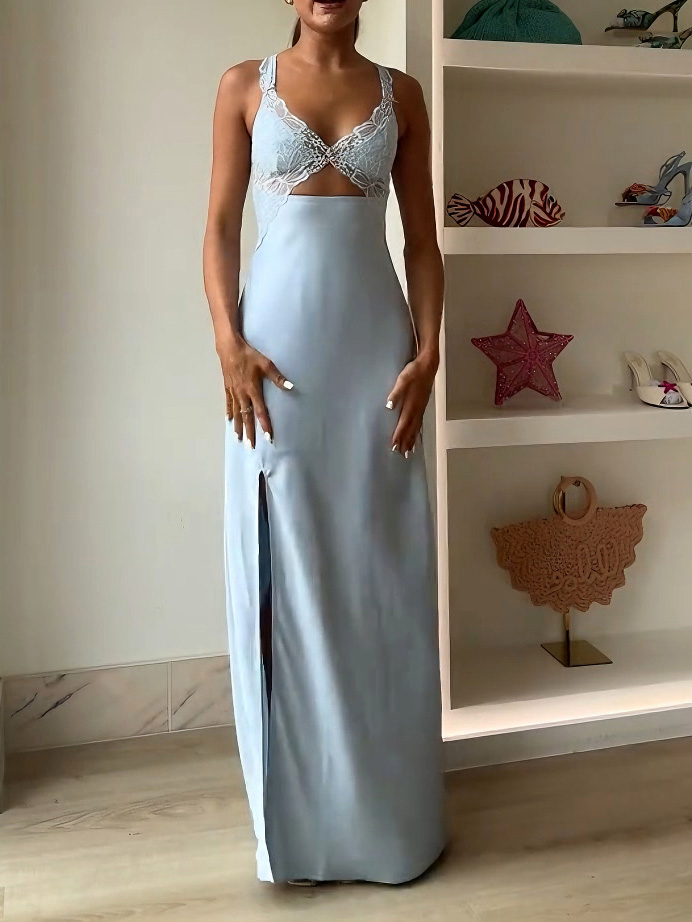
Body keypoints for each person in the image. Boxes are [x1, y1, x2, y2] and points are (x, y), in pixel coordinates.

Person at [202, 0, 446, 886]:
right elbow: (219, 227)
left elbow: (421, 241)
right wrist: (228, 345)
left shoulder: (403, 95)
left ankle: (390, 823)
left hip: (375, 355)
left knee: (380, 569)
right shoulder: (243, 86)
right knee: (288, 568)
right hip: (278, 356)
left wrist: (428, 352)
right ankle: (299, 831)